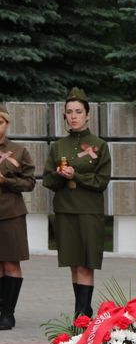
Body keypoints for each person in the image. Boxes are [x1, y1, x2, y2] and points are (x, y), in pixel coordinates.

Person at [42, 88, 111, 318]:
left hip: (89, 210)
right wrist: (59, 175)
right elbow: (48, 180)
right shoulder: (58, 146)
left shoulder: (99, 145)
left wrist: (76, 176)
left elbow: (102, 181)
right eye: (69, 112)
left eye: (78, 111)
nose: (73, 116)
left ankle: (82, 315)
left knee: (86, 264)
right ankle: (81, 310)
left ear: (88, 114)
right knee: (73, 263)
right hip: (65, 210)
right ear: (65, 116)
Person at [0, 103, 36, 330]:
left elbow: (29, 182)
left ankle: (8, 313)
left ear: (7, 124)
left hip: (11, 212)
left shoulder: (19, 150)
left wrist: (7, 181)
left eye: (0, 122)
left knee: (11, 262)